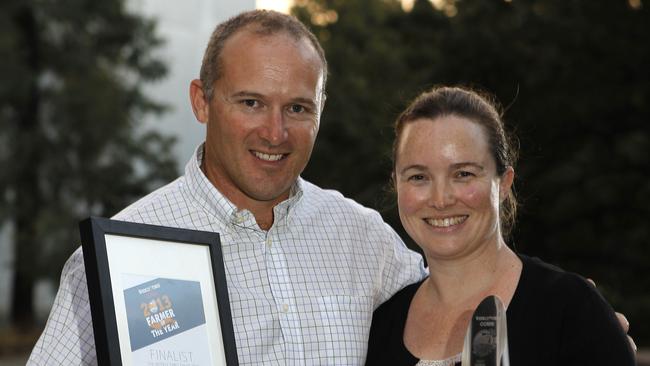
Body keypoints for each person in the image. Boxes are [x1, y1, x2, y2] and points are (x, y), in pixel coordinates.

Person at [27, 10, 426, 365]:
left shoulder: (365, 239)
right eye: (251, 103)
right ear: (202, 101)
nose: (275, 133)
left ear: (321, 110)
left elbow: (458, 309)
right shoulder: (118, 260)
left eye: (298, 108)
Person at [365, 86, 636, 365]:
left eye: (463, 174)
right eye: (418, 177)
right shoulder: (379, 326)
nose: (440, 199)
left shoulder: (569, 311)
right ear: (396, 184)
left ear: (504, 183)